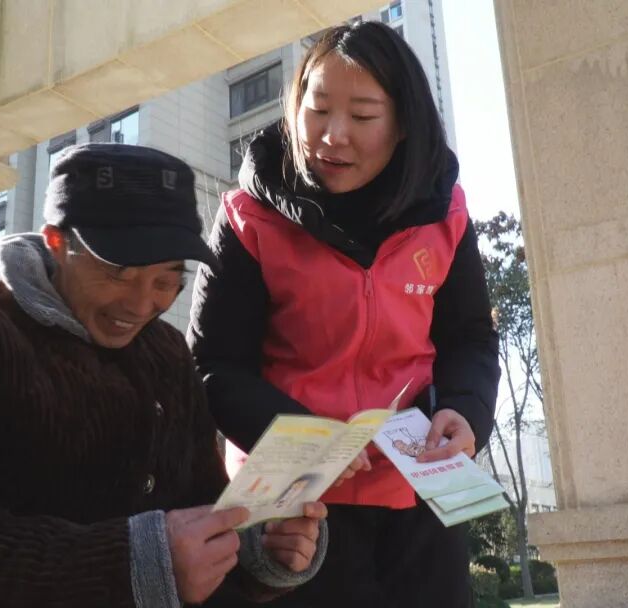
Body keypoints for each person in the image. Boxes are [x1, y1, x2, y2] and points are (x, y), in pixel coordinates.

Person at [0, 144, 328, 608]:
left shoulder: (166, 353)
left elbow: (197, 510)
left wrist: (260, 544)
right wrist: (139, 562)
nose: (141, 304)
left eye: (167, 281)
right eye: (118, 273)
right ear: (56, 242)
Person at [188, 21, 499, 608]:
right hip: (296, 504)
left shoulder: (445, 214)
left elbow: (471, 337)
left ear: (403, 125)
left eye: (361, 116)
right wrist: (311, 438)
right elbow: (212, 365)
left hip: (420, 493)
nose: (332, 136)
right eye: (318, 109)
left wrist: (467, 411)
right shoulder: (250, 218)